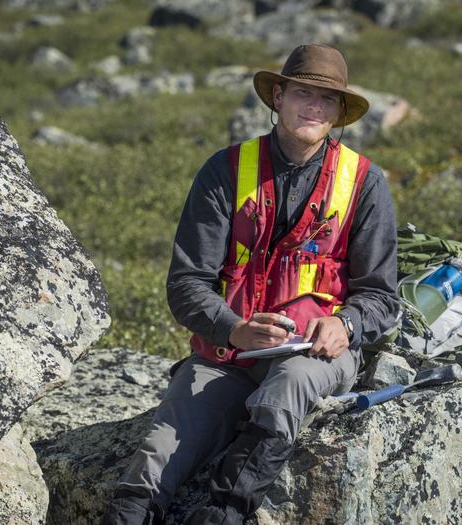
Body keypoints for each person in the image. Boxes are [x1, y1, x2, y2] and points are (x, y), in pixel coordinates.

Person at [101, 43, 400, 525]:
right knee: (154, 459)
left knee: (290, 385)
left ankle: (224, 512)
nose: (314, 108)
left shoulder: (365, 182)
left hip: (313, 356)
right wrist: (233, 328)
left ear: (339, 113)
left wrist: (346, 323)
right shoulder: (224, 171)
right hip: (228, 354)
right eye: (304, 93)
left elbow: (382, 296)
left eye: (327, 101)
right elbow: (186, 284)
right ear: (277, 96)